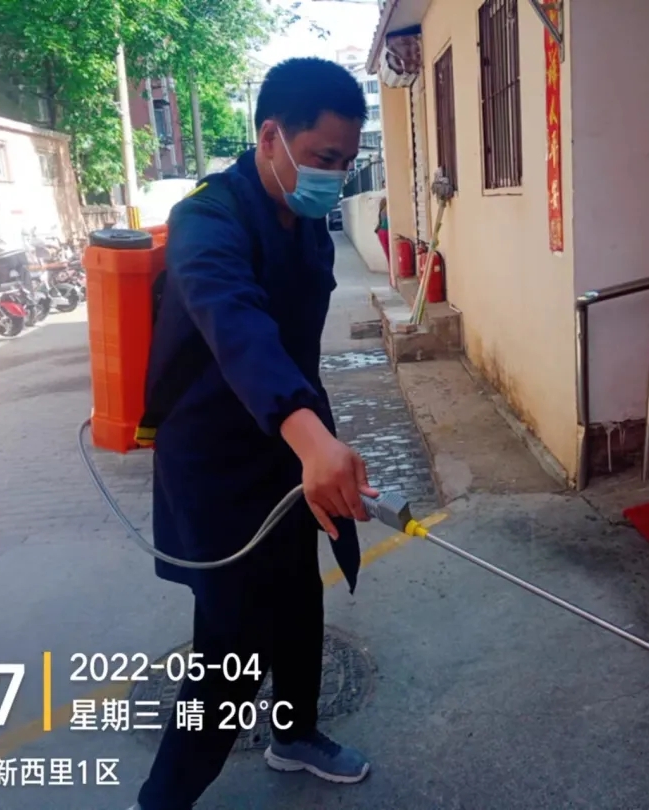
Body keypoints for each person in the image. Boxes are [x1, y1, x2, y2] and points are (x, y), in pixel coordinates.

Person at [130, 57, 376, 810]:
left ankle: (293, 734)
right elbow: (237, 328)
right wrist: (311, 438)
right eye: (324, 157)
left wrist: (315, 444)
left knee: (299, 595)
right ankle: (161, 800)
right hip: (216, 467)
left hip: (286, 450)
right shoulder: (208, 219)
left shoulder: (305, 225)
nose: (335, 177)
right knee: (229, 651)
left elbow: (292, 346)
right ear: (271, 137)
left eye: (346, 163)